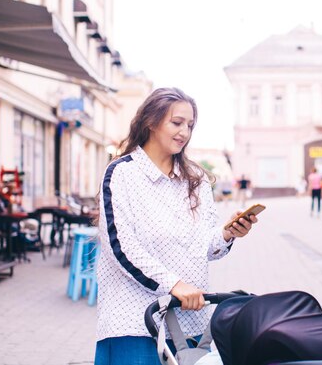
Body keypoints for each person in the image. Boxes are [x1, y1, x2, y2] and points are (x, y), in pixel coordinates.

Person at [94, 87, 259, 365]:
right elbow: (119, 246)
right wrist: (174, 285)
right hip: (134, 318)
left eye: (190, 125)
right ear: (151, 121)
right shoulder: (122, 173)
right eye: (177, 122)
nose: (184, 131)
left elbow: (205, 246)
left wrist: (228, 233)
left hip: (191, 319)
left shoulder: (195, 178)